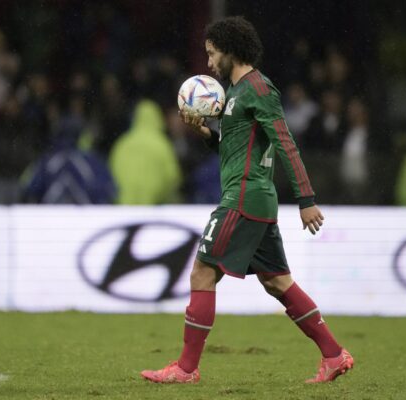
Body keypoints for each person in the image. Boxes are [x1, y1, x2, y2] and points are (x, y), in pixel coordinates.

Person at [141, 16, 353, 385]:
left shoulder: (257, 88)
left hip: (243, 197)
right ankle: (334, 355)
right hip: (252, 198)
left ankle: (186, 369)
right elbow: (238, 147)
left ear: (230, 50)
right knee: (277, 282)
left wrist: (306, 198)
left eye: (212, 54)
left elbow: (284, 141)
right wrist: (207, 132)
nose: (208, 63)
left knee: (202, 272)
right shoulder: (236, 92)